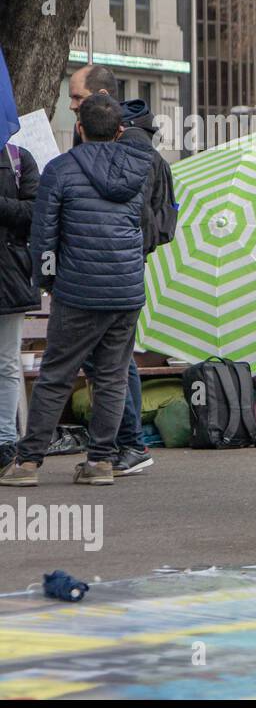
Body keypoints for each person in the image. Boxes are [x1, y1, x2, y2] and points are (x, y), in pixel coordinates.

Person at [0, 96, 152, 487]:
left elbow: (43, 234)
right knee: (113, 376)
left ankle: (28, 462)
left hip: (79, 289)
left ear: (78, 128)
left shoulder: (61, 169)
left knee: (56, 375)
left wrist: (49, 282)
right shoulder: (139, 168)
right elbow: (146, 231)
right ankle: (101, 461)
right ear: (119, 130)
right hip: (126, 290)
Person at [67, 63, 177, 476]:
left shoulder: (126, 147)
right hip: (122, 264)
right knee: (113, 358)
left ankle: (125, 444)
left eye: (77, 98)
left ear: (99, 98)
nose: (72, 106)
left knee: (110, 361)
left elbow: (133, 216)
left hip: (116, 265)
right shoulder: (135, 142)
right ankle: (121, 444)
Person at [0, 139, 41, 470]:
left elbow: (34, 212)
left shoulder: (18, 159)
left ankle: (4, 441)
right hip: (10, 275)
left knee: (6, 362)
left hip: (8, 275)